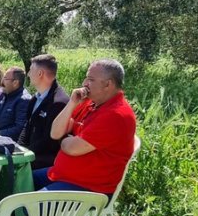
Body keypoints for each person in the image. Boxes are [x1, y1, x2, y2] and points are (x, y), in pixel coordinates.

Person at [33, 59, 136, 199]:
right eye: (86, 78)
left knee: (27, 205)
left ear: (108, 84)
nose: (84, 84)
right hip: (63, 175)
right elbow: (55, 133)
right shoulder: (89, 103)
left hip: (89, 188)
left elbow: (72, 148)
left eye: (91, 79)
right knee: (18, 182)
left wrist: (65, 140)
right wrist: (72, 103)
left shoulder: (116, 115)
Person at [17, 54, 70, 169]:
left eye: (30, 70)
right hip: (30, 154)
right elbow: (28, 126)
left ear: (40, 73)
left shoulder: (59, 103)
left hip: (44, 162)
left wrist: (25, 155)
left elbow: (49, 142)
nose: (28, 74)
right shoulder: (35, 98)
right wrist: (19, 148)